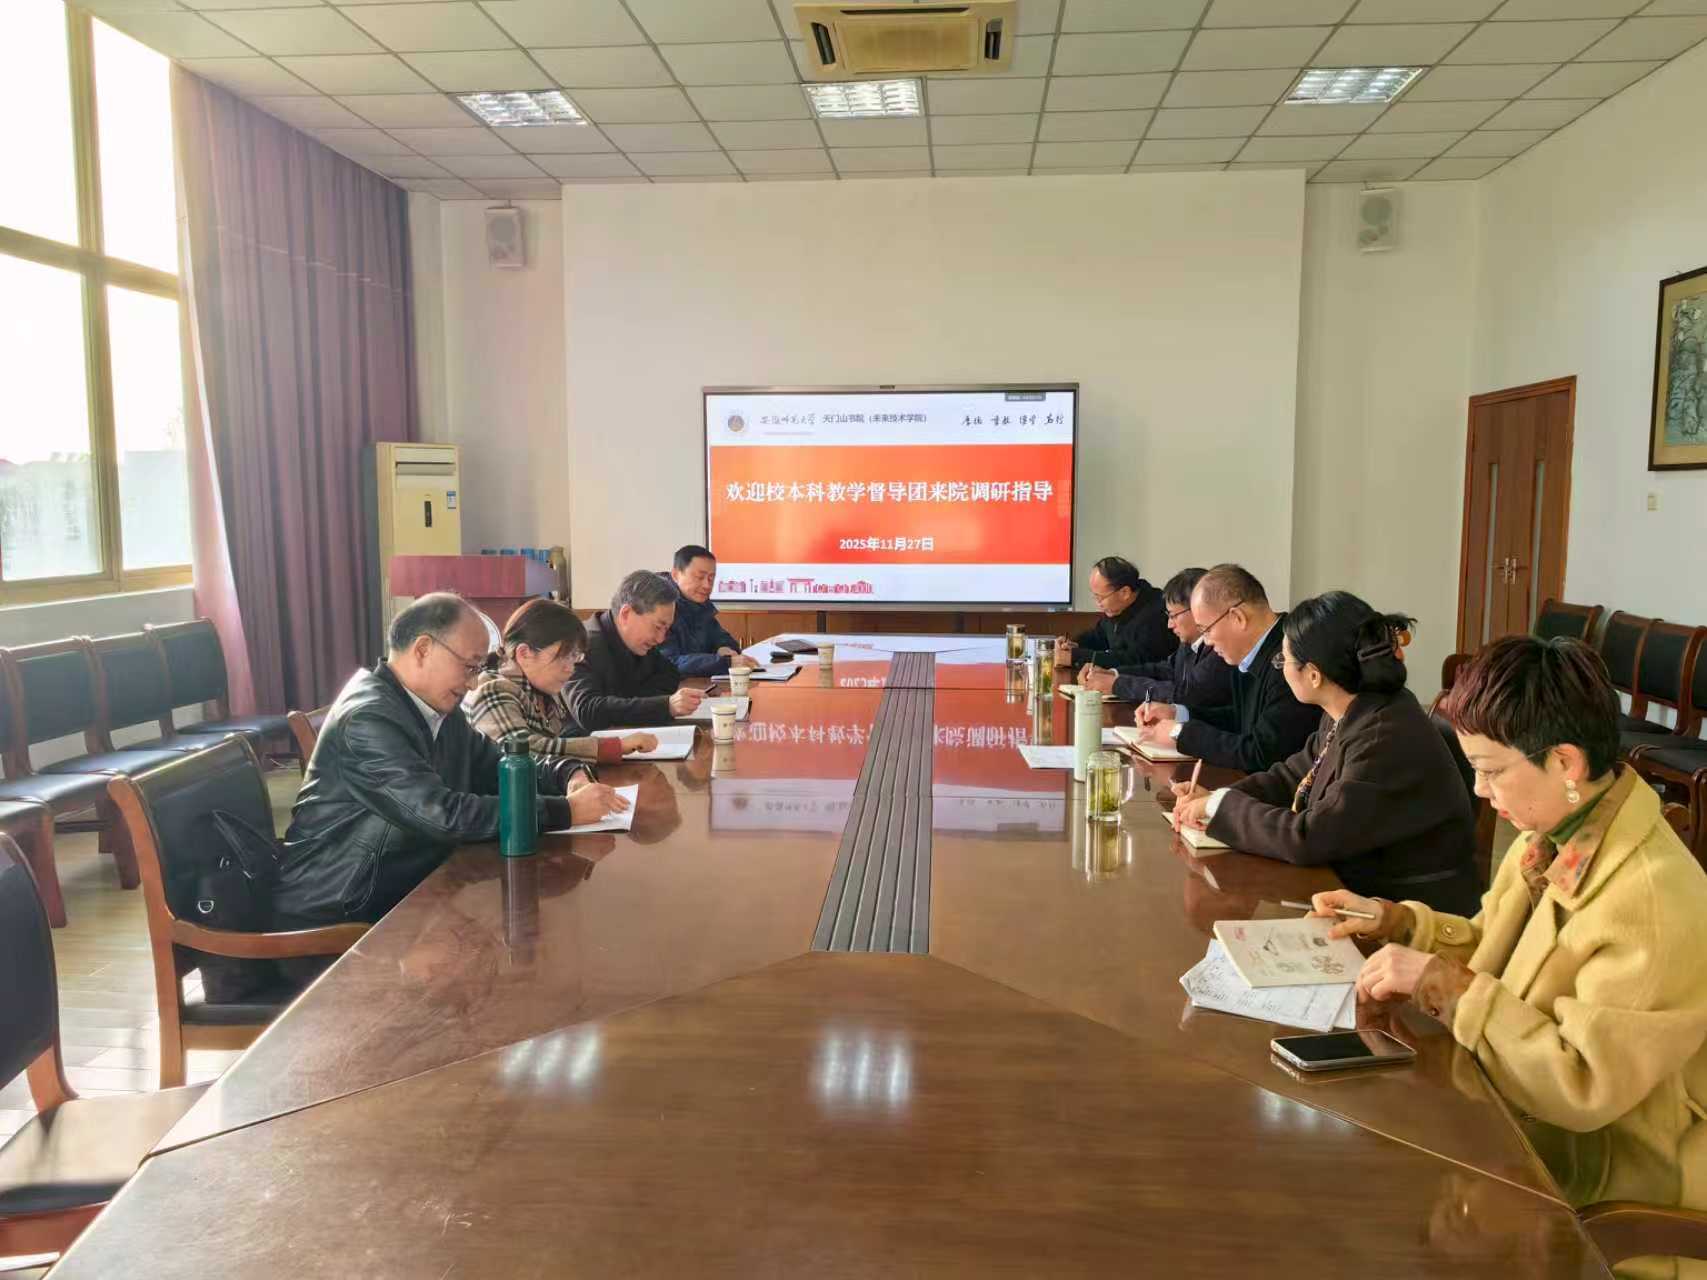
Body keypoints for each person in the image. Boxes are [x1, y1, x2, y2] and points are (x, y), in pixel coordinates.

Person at [1314, 636, 1707, 1266]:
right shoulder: (1552, 834)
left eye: (1492, 770)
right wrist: (1396, 923)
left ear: (1565, 762)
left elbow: (1580, 1084)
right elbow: (1497, 948)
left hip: (1614, 1201)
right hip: (1522, 1136)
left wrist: (1442, 984)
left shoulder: (1651, 899)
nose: (1479, 790)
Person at [274, 593, 629, 933]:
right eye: (469, 666)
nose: (474, 682)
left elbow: (498, 764)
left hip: (408, 887)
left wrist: (566, 774)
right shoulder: (367, 719)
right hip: (344, 909)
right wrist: (565, 811)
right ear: (423, 649)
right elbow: (441, 814)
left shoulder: (434, 707)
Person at [1168, 591, 1480, 913]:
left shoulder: (1384, 736)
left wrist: (1222, 807)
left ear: (1314, 675)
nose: (1281, 668)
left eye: (1284, 661)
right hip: (1355, 885)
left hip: (1405, 910)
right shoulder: (1350, 709)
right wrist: (1218, 798)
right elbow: (1291, 775)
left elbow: (1309, 838)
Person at [1133, 563, 1317, 772]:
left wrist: (1179, 734)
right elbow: (1239, 721)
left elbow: (1262, 753)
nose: (1207, 642)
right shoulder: (1250, 651)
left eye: (1206, 630)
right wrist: (1177, 713)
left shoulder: (1291, 659)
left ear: (1238, 617)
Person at [465, 598, 659, 770]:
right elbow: (523, 753)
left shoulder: (543, 691)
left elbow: (561, 740)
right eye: (563, 657)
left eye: (574, 657)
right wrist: (613, 746)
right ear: (524, 653)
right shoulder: (493, 689)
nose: (570, 669)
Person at [562, 570, 707, 731]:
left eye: (666, 629)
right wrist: (666, 706)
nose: (661, 639)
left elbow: (670, 674)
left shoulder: (637, 642)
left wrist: (630, 703)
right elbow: (587, 711)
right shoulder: (580, 645)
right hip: (582, 743)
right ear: (626, 614)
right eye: (657, 627)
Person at [1077, 567, 1233, 710]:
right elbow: (1165, 670)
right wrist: (1113, 674)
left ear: (1197, 610)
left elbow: (1185, 695)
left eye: (1174, 616)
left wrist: (1117, 684)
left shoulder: (1220, 649)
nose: (1169, 625)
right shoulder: (1189, 642)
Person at [1052, 556, 1175, 670]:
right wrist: (1073, 645)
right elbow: (1099, 636)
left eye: (1100, 597)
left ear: (1124, 592)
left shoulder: (1155, 615)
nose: (1097, 603)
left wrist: (1077, 657)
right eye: (1095, 596)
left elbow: (1134, 662)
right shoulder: (1118, 607)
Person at [660, 544, 756, 677]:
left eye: (711, 578)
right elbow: (669, 663)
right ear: (676, 575)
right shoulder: (660, 607)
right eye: (699, 577)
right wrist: (725, 663)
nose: (707, 585)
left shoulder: (701, 605)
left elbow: (722, 638)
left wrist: (723, 648)